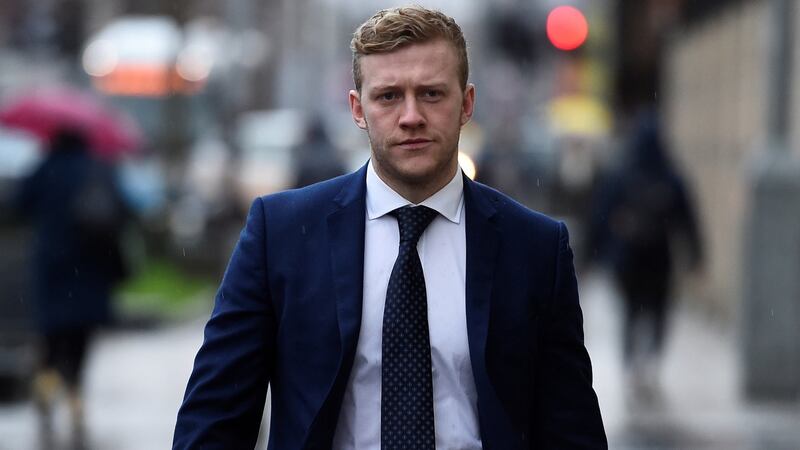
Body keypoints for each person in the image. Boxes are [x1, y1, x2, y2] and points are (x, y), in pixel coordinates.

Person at [174, 6, 606, 449]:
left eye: (432, 94)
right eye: (388, 96)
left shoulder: (535, 248)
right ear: (357, 109)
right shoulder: (281, 235)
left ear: (467, 103)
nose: (411, 115)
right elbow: (214, 419)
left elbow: (571, 431)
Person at [14, 128, 128, 446]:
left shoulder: (45, 167)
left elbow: (18, 203)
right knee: (81, 338)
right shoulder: (98, 168)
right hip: (90, 267)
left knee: (52, 337)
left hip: (53, 267)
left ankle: (46, 386)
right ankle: (76, 397)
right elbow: (121, 210)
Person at [589, 109, 702, 400]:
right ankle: (647, 364)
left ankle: (634, 366)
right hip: (656, 259)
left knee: (631, 313)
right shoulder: (669, 175)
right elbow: (687, 219)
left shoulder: (622, 173)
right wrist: (695, 254)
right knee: (656, 312)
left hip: (630, 260)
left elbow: (601, 216)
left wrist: (596, 253)